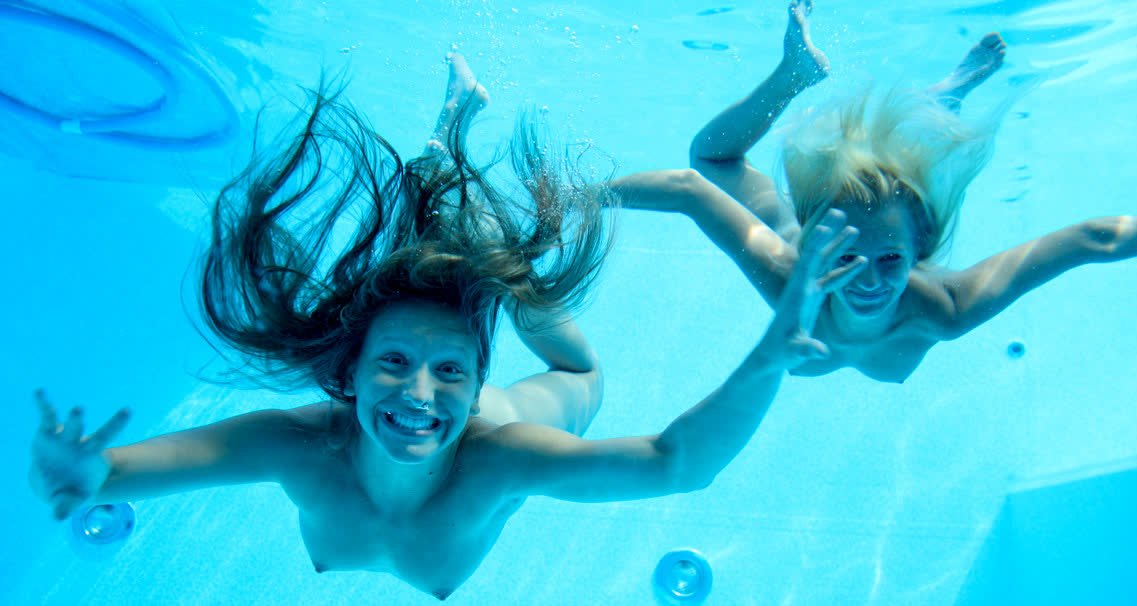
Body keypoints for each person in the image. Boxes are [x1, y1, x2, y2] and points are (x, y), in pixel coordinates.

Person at [28, 52, 868, 601]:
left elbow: (673, 465)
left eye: (453, 372)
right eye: (391, 361)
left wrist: (770, 354)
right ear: (347, 373)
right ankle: (455, 141)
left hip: (552, 393)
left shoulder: (502, 459)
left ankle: (464, 181)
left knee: (515, 306)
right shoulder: (296, 443)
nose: (420, 396)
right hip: (442, 383)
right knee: (440, 263)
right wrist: (67, 472)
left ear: (474, 379)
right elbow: (100, 479)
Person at [613, 0, 1137, 383]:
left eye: (890, 256)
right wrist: (569, 200)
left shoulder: (946, 308)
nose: (867, 276)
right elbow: (689, 188)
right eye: (846, 253)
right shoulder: (794, 282)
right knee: (709, 159)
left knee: (717, 160)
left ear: (921, 247)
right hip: (803, 235)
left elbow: (1092, 240)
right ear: (821, 239)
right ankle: (795, 76)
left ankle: (946, 95)